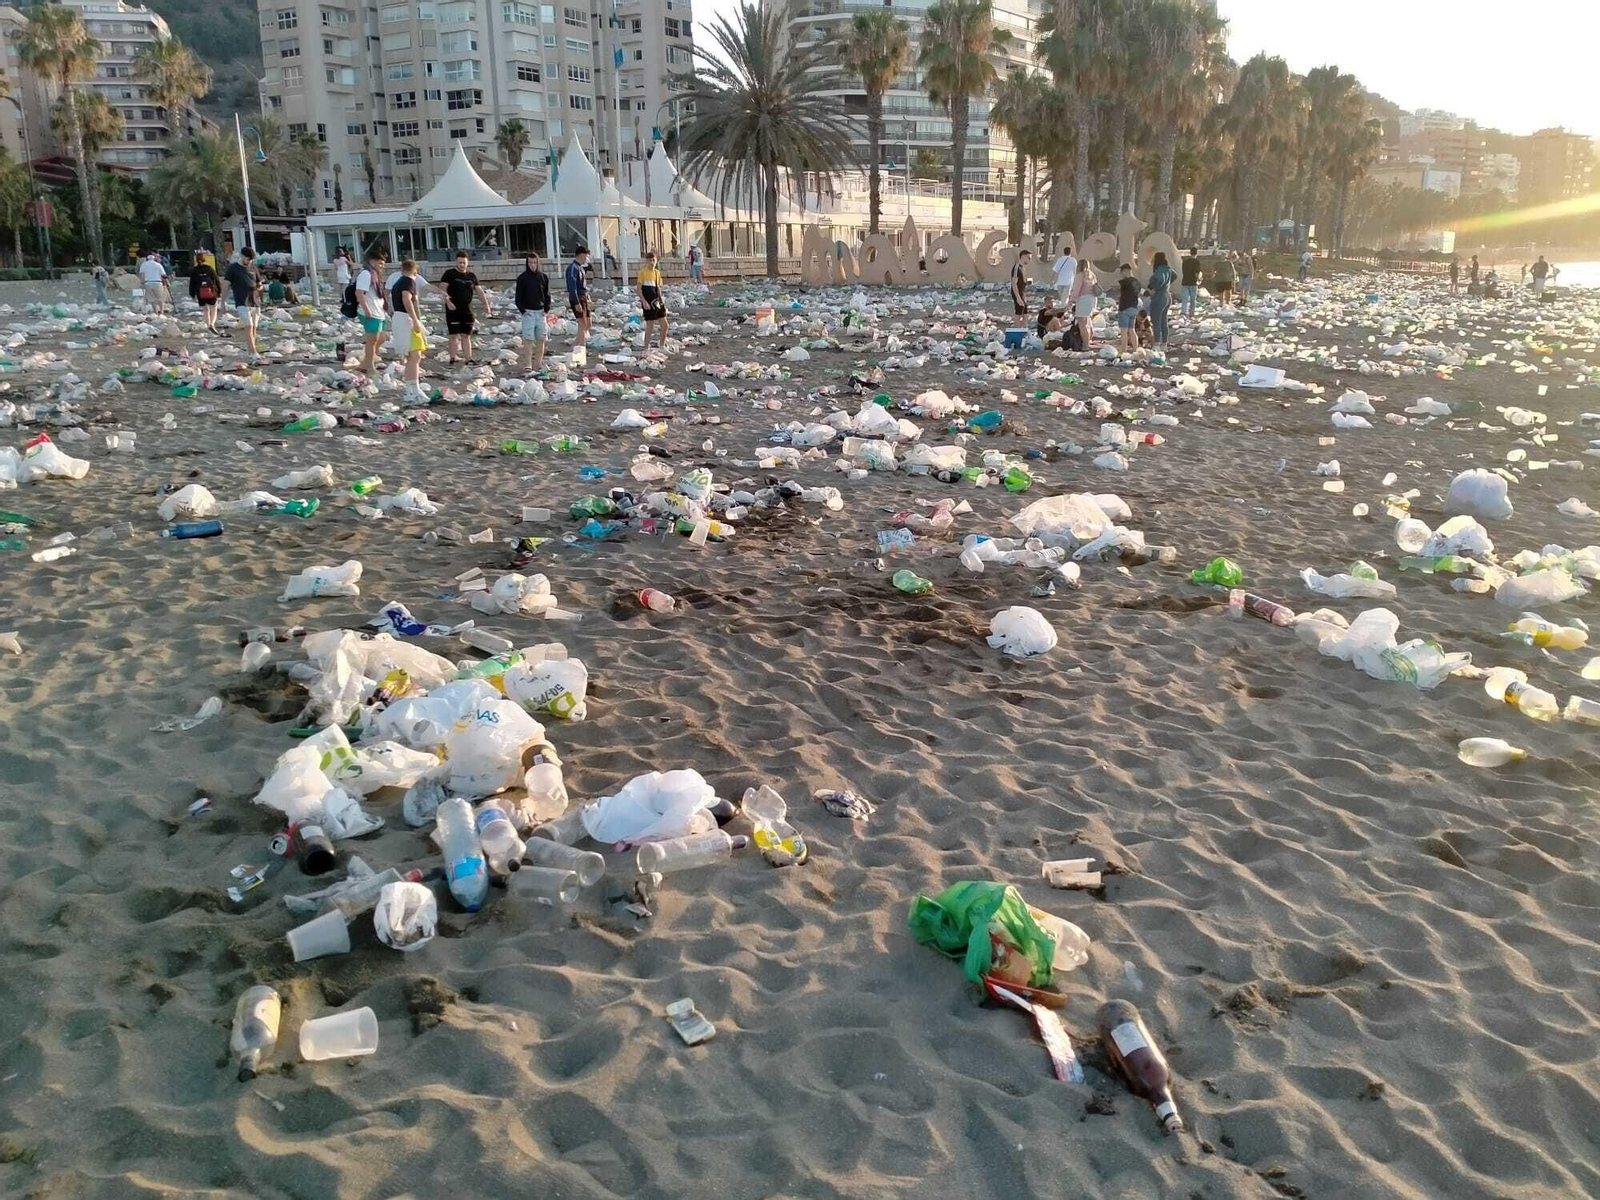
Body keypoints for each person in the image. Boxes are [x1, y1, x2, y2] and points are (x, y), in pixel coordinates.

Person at [438, 250, 493, 362]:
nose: (462, 265)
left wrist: (486, 305)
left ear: (467, 263)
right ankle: (453, 358)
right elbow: (442, 289)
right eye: (460, 262)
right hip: (453, 310)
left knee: (466, 335)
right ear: (456, 262)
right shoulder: (449, 274)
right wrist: (448, 302)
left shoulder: (471, 276)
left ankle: (468, 359)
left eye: (464, 263)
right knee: (454, 335)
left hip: (467, 310)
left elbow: (479, 291)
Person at [390, 259, 427, 395]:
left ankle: (410, 389)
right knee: (415, 355)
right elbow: (406, 299)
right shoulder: (409, 282)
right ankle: (414, 389)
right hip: (406, 319)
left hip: (399, 318)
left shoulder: (398, 282)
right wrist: (415, 320)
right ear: (415, 271)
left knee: (412, 356)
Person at [515, 251, 552, 374]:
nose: (532, 265)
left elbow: (547, 295)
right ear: (527, 263)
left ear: (538, 263)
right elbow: (518, 297)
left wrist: (546, 310)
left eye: (535, 262)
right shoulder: (522, 278)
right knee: (528, 339)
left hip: (541, 312)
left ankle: (539, 363)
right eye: (530, 263)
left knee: (541, 339)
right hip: (528, 312)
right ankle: (528, 364)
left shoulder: (543, 277)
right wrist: (523, 311)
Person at [354, 247, 389, 375]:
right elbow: (359, 293)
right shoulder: (366, 274)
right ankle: (369, 366)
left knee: (382, 338)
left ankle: (366, 361)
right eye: (380, 263)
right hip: (370, 312)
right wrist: (366, 310)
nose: (382, 266)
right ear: (372, 261)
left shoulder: (375, 275)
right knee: (372, 340)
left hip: (379, 311)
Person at [224, 247, 263, 358]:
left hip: (255, 301)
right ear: (242, 256)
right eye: (247, 259)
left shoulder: (253, 268)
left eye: (251, 260)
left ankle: (251, 350)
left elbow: (259, 284)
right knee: (248, 326)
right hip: (242, 301)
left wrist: (259, 288)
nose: (249, 262)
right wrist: (222, 303)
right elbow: (226, 285)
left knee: (254, 328)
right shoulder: (232, 268)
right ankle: (253, 353)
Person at [636, 249, 669, 350]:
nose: (652, 262)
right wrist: (644, 301)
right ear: (646, 261)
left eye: (653, 260)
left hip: (656, 300)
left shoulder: (657, 273)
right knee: (650, 325)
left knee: (665, 324)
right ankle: (646, 348)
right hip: (648, 300)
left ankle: (662, 346)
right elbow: (638, 289)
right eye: (650, 260)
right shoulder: (642, 273)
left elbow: (658, 288)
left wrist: (661, 301)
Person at [1147, 251, 1176, 349]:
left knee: (1156, 321)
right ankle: (1164, 344)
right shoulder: (1168, 269)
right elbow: (1175, 276)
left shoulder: (1159, 270)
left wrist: (1155, 287)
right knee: (1164, 321)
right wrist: (1167, 283)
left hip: (1159, 296)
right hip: (1167, 295)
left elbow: (1160, 279)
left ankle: (1157, 343)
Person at [1067, 260, 1098, 352]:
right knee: (1088, 321)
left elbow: (1076, 289)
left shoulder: (1080, 275)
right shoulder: (1092, 275)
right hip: (1092, 299)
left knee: (1082, 324)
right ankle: (1089, 340)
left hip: (1083, 299)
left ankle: (1085, 345)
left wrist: (1071, 301)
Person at [189, 253, 222, 333]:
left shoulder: (194, 270)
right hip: (211, 292)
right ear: (205, 259)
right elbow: (217, 280)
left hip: (200, 293)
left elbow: (192, 283)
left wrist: (192, 294)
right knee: (213, 309)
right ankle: (212, 324)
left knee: (205, 309)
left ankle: (208, 325)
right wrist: (219, 292)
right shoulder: (210, 269)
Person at [566, 245, 592, 347]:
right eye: (586, 256)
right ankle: (581, 347)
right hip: (577, 298)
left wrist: (587, 296)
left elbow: (583, 284)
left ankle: (575, 345)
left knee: (588, 323)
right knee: (582, 323)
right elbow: (572, 287)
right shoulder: (572, 268)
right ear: (582, 255)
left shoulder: (581, 268)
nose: (587, 259)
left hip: (583, 296)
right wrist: (576, 302)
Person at [1114, 263, 1140, 356]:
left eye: (1122, 272)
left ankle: (1124, 351)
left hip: (1124, 308)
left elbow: (1115, 286)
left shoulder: (1124, 282)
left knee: (1124, 331)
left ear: (1125, 271)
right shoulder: (1137, 282)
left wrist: (1117, 276)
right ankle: (1135, 349)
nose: (1121, 274)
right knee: (1132, 330)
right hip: (1134, 307)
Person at [138, 251, 169, 315]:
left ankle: (155, 312)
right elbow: (164, 275)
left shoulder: (143, 264)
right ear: (154, 258)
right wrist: (166, 282)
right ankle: (162, 313)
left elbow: (141, 274)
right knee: (160, 299)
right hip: (158, 283)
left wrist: (142, 282)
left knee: (152, 299)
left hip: (148, 283)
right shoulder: (158, 265)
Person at [1180, 246, 1201, 316]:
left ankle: (1183, 312)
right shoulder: (1196, 262)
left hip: (1185, 282)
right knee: (1192, 300)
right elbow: (1196, 273)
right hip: (1193, 283)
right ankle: (1191, 313)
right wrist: (1199, 279)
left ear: (1190, 253)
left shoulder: (1185, 262)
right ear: (1196, 253)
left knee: (1184, 299)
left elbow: (1183, 271)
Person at [1010, 249, 1031, 318]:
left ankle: (1024, 325)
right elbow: (1014, 283)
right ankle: (1017, 324)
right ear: (1023, 257)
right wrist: (1018, 298)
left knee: (1025, 313)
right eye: (1029, 258)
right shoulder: (1016, 268)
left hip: (1022, 293)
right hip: (1018, 293)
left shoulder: (1022, 268)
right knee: (1019, 314)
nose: (1029, 260)